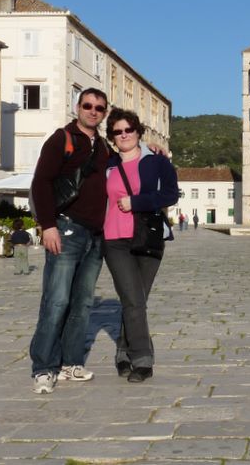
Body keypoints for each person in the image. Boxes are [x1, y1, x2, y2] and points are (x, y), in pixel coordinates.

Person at [28, 88, 111, 395]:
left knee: (82, 303)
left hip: (95, 235)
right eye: (88, 105)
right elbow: (41, 182)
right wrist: (48, 225)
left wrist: (150, 149)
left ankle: (71, 363)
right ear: (78, 107)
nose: (93, 111)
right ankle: (43, 368)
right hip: (66, 228)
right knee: (56, 300)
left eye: (99, 108)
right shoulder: (61, 139)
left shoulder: (104, 146)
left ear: (104, 113)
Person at [102, 108, 178, 383]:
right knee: (133, 299)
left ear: (138, 132)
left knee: (136, 301)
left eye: (128, 130)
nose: (124, 135)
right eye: (117, 132)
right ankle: (143, 360)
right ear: (112, 137)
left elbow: (171, 194)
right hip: (114, 240)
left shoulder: (156, 161)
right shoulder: (107, 165)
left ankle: (123, 352)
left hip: (148, 237)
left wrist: (136, 202)